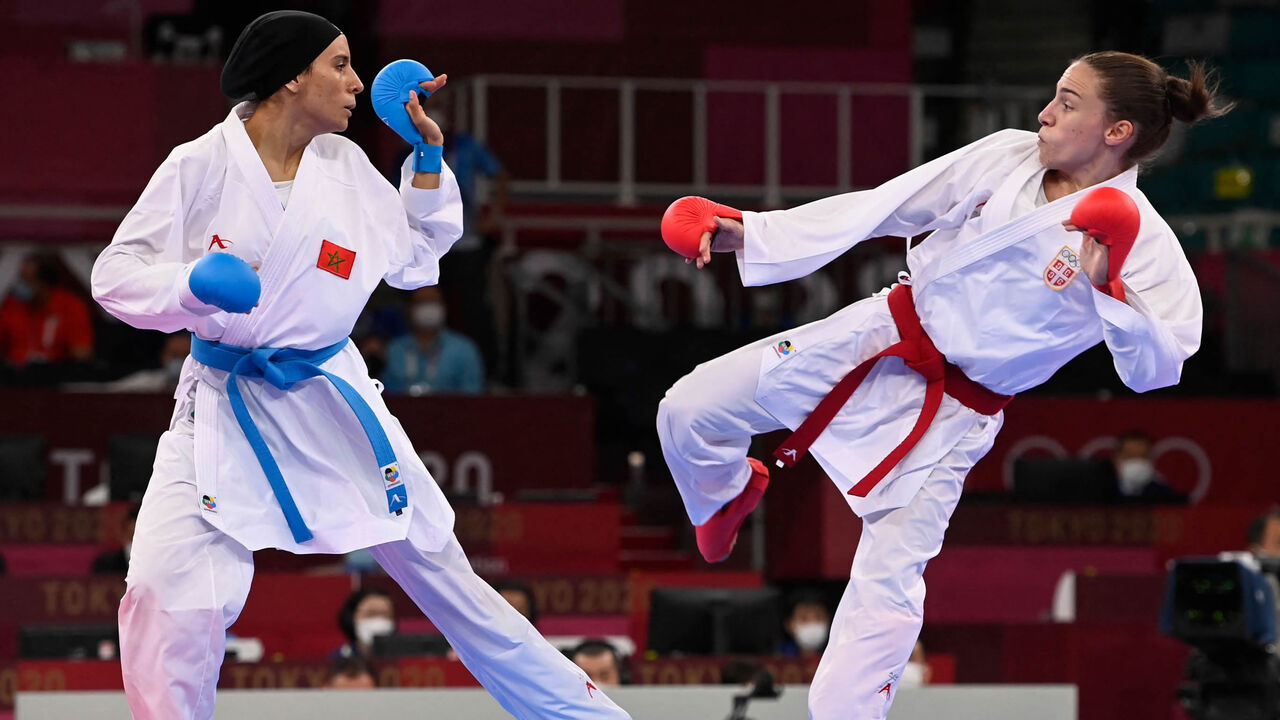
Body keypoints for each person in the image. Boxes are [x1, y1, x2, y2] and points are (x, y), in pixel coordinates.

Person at [656, 52, 1229, 720]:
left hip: (955, 414)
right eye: (1054, 95)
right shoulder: (1009, 157)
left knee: (887, 586)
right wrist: (748, 233)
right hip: (879, 334)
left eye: (1069, 102)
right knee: (688, 409)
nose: (1045, 112)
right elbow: (888, 205)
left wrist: (1110, 287)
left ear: (1117, 131)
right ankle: (725, 493)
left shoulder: (1148, 245)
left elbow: (1158, 368)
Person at [90, 11, 628, 720]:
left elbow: (415, 261)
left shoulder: (343, 168)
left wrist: (428, 159)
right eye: (339, 65)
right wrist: (189, 285)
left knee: (452, 585)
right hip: (222, 400)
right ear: (290, 75)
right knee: (167, 594)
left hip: (332, 398)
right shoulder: (200, 165)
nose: (358, 82)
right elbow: (114, 276)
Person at [382, 285, 484, 393]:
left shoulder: (463, 350)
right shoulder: (394, 349)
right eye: (422, 302)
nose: (428, 307)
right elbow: (385, 393)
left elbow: (472, 397)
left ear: (443, 306)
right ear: (410, 308)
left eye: (433, 301)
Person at [0, 253, 94, 367]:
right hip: (15, 375)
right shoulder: (12, 305)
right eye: (20, 278)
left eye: (27, 280)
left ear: (44, 282)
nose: (21, 285)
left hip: (56, 375)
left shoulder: (71, 306)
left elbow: (82, 353)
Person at [335, 587, 397, 659]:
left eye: (385, 615)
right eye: (370, 614)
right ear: (351, 617)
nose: (378, 620)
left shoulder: (403, 659)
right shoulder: (340, 658)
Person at [777, 591, 830, 659]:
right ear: (788, 624)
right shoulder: (777, 657)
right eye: (804, 618)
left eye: (818, 617)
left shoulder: (838, 654)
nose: (812, 623)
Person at [91, 504, 140, 574]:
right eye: (135, 521)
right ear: (126, 525)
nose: (137, 528)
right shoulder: (105, 563)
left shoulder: (155, 561)